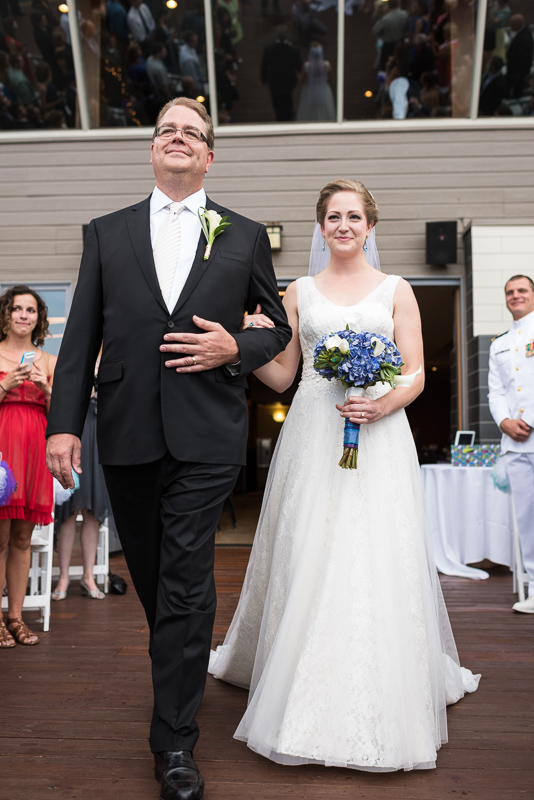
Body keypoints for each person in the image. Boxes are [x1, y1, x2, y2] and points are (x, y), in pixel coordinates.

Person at [45, 97, 292, 800]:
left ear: (209, 156)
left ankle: (175, 741)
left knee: (185, 575)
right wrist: (64, 424)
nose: (178, 138)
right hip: (126, 428)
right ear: (152, 149)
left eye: (192, 132)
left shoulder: (244, 235)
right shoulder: (106, 232)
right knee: (157, 578)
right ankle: (182, 658)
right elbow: (80, 336)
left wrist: (234, 346)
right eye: (167, 130)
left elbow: (277, 327)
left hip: (207, 432)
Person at [209, 178, 480, 771]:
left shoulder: (397, 289)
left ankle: (388, 674)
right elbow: (283, 377)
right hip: (313, 431)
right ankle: (299, 672)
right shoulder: (298, 291)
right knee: (312, 543)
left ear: (370, 226)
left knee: (375, 546)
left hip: (380, 435)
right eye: (333, 217)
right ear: (321, 226)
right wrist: (248, 343)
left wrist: (383, 405)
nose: (343, 226)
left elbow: (415, 373)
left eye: (354, 217)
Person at [0, 286, 56, 648]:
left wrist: (45, 389)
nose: (23, 315)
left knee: (22, 538)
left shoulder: (49, 361)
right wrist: (5, 385)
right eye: (17, 308)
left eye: (30, 310)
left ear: (38, 318)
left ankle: (16, 618)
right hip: (2, 453)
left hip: (35, 451)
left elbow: (63, 414)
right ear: (6, 314)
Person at [488, 275, 534, 614]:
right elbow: (496, 391)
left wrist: (529, 419)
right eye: (510, 292)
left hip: (530, 430)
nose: (515, 296)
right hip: (515, 445)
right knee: (527, 519)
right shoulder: (499, 344)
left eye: (522, 290)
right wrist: (504, 421)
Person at [52, 382, 116, 602]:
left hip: (99, 433)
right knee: (68, 511)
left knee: (92, 512)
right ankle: (63, 577)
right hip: (74, 429)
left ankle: (88, 576)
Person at [261, 25, 302, 122]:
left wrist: (264, 79)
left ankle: (279, 118)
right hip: (289, 81)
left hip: (274, 81)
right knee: (288, 99)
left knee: (276, 102)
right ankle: (288, 117)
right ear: (287, 35)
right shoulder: (294, 50)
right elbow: (299, 67)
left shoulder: (268, 49)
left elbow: (264, 66)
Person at [296, 42, 335, 122]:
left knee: (308, 110)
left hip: (309, 90)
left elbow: (303, 80)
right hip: (324, 89)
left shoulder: (307, 65)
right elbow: (330, 78)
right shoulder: (327, 64)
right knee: (324, 109)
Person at [506, 14, 534, 99]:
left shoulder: (523, 39)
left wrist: (517, 74)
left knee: (516, 89)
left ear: (518, 25)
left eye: (512, 25)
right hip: (516, 69)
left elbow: (522, 59)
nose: (510, 26)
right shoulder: (525, 30)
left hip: (517, 71)